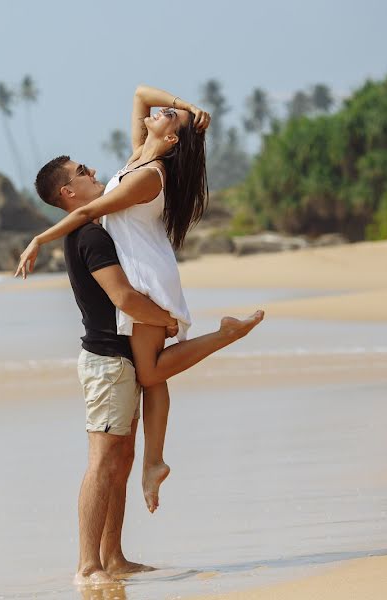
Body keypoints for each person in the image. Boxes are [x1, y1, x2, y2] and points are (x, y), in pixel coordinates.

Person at [20, 85, 265, 583]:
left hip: (126, 335)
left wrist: (187, 112)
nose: (91, 170)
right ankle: (90, 564)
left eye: (88, 168)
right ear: (68, 193)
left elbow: (138, 105)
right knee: (105, 458)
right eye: (81, 172)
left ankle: (114, 556)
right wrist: (162, 318)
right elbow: (123, 298)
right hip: (111, 354)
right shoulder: (93, 226)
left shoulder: (125, 189)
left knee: (123, 450)